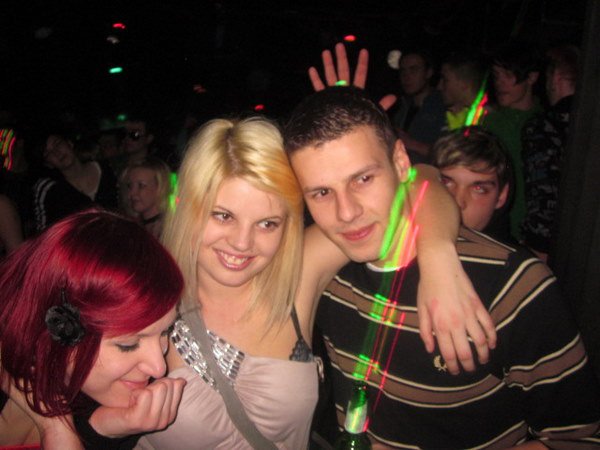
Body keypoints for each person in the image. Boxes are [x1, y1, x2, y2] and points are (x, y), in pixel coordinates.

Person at [138, 115, 494, 449]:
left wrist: (438, 260)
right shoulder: (141, 296)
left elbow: (419, 179)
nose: (242, 243)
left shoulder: (298, 274)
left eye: (267, 223)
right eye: (223, 216)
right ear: (186, 205)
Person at [283, 86, 600, 449]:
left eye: (363, 179)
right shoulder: (329, 275)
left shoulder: (511, 283)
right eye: (322, 193)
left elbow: (580, 439)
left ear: (400, 162)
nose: (346, 212)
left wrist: (435, 253)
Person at [0, 209, 186, 449]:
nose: (158, 368)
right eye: (128, 345)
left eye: (165, 332)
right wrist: (58, 430)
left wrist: (102, 428)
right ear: (59, 330)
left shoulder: (105, 397)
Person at [521, 44, 579, 262]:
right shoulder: (590, 123)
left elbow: (543, 193)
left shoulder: (545, 126)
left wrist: (536, 249)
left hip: (553, 247)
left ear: (555, 77)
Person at [481, 40, 543, 240]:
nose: (500, 83)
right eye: (497, 75)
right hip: (494, 229)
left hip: (532, 232)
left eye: (508, 75)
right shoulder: (489, 122)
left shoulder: (546, 125)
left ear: (531, 77)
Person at [431, 126, 513, 242]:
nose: (458, 202)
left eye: (478, 188)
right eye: (445, 183)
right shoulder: (406, 243)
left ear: (501, 196)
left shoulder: (509, 254)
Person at [32, 133, 119, 231]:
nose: (57, 152)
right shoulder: (51, 191)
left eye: (57, 144)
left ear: (69, 143)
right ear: (48, 163)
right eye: (48, 153)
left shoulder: (110, 168)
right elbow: (45, 232)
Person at [393, 49, 446, 162]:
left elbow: (452, 154)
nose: (406, 77)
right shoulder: (402, 107)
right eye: (403, 71)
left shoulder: (444, 106)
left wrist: (412, 144)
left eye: (414, 70)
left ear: (428, 73)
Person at [121, 156, 173, 238]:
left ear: (160, 187)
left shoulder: (170, 230)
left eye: (141, 186)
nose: (132, 193)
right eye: (130, 186)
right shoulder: (132, 227)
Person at [438, 50, 488, 131]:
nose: (439, 87)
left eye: (445, 80)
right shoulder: (450, 115)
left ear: (464, 83)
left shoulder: (486, 121)